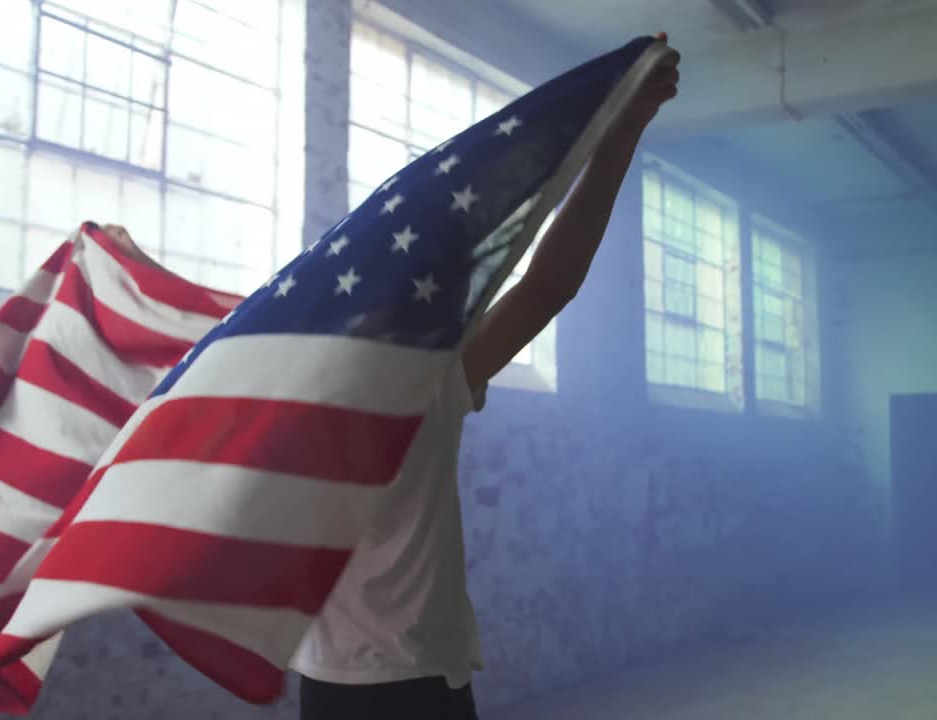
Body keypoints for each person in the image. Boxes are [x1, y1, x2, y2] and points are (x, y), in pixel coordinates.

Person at [291, 34, 681, 720]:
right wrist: (619, 138)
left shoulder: (355, 381)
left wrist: (621, 134)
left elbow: (545, 287)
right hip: (401, 680)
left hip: (353, 681)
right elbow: (546, 288)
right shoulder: (412, 379)